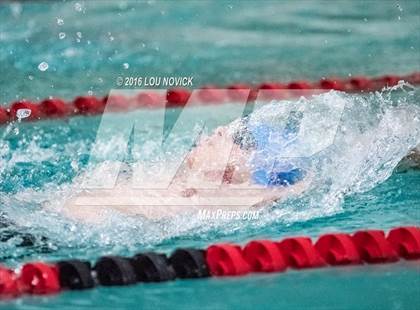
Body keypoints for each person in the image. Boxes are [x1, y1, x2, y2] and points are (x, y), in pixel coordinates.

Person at [61, 116, 311, 223]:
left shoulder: (225, 197)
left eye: (242, 138)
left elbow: (279, 191)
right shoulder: (169, 175)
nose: (222, 130)